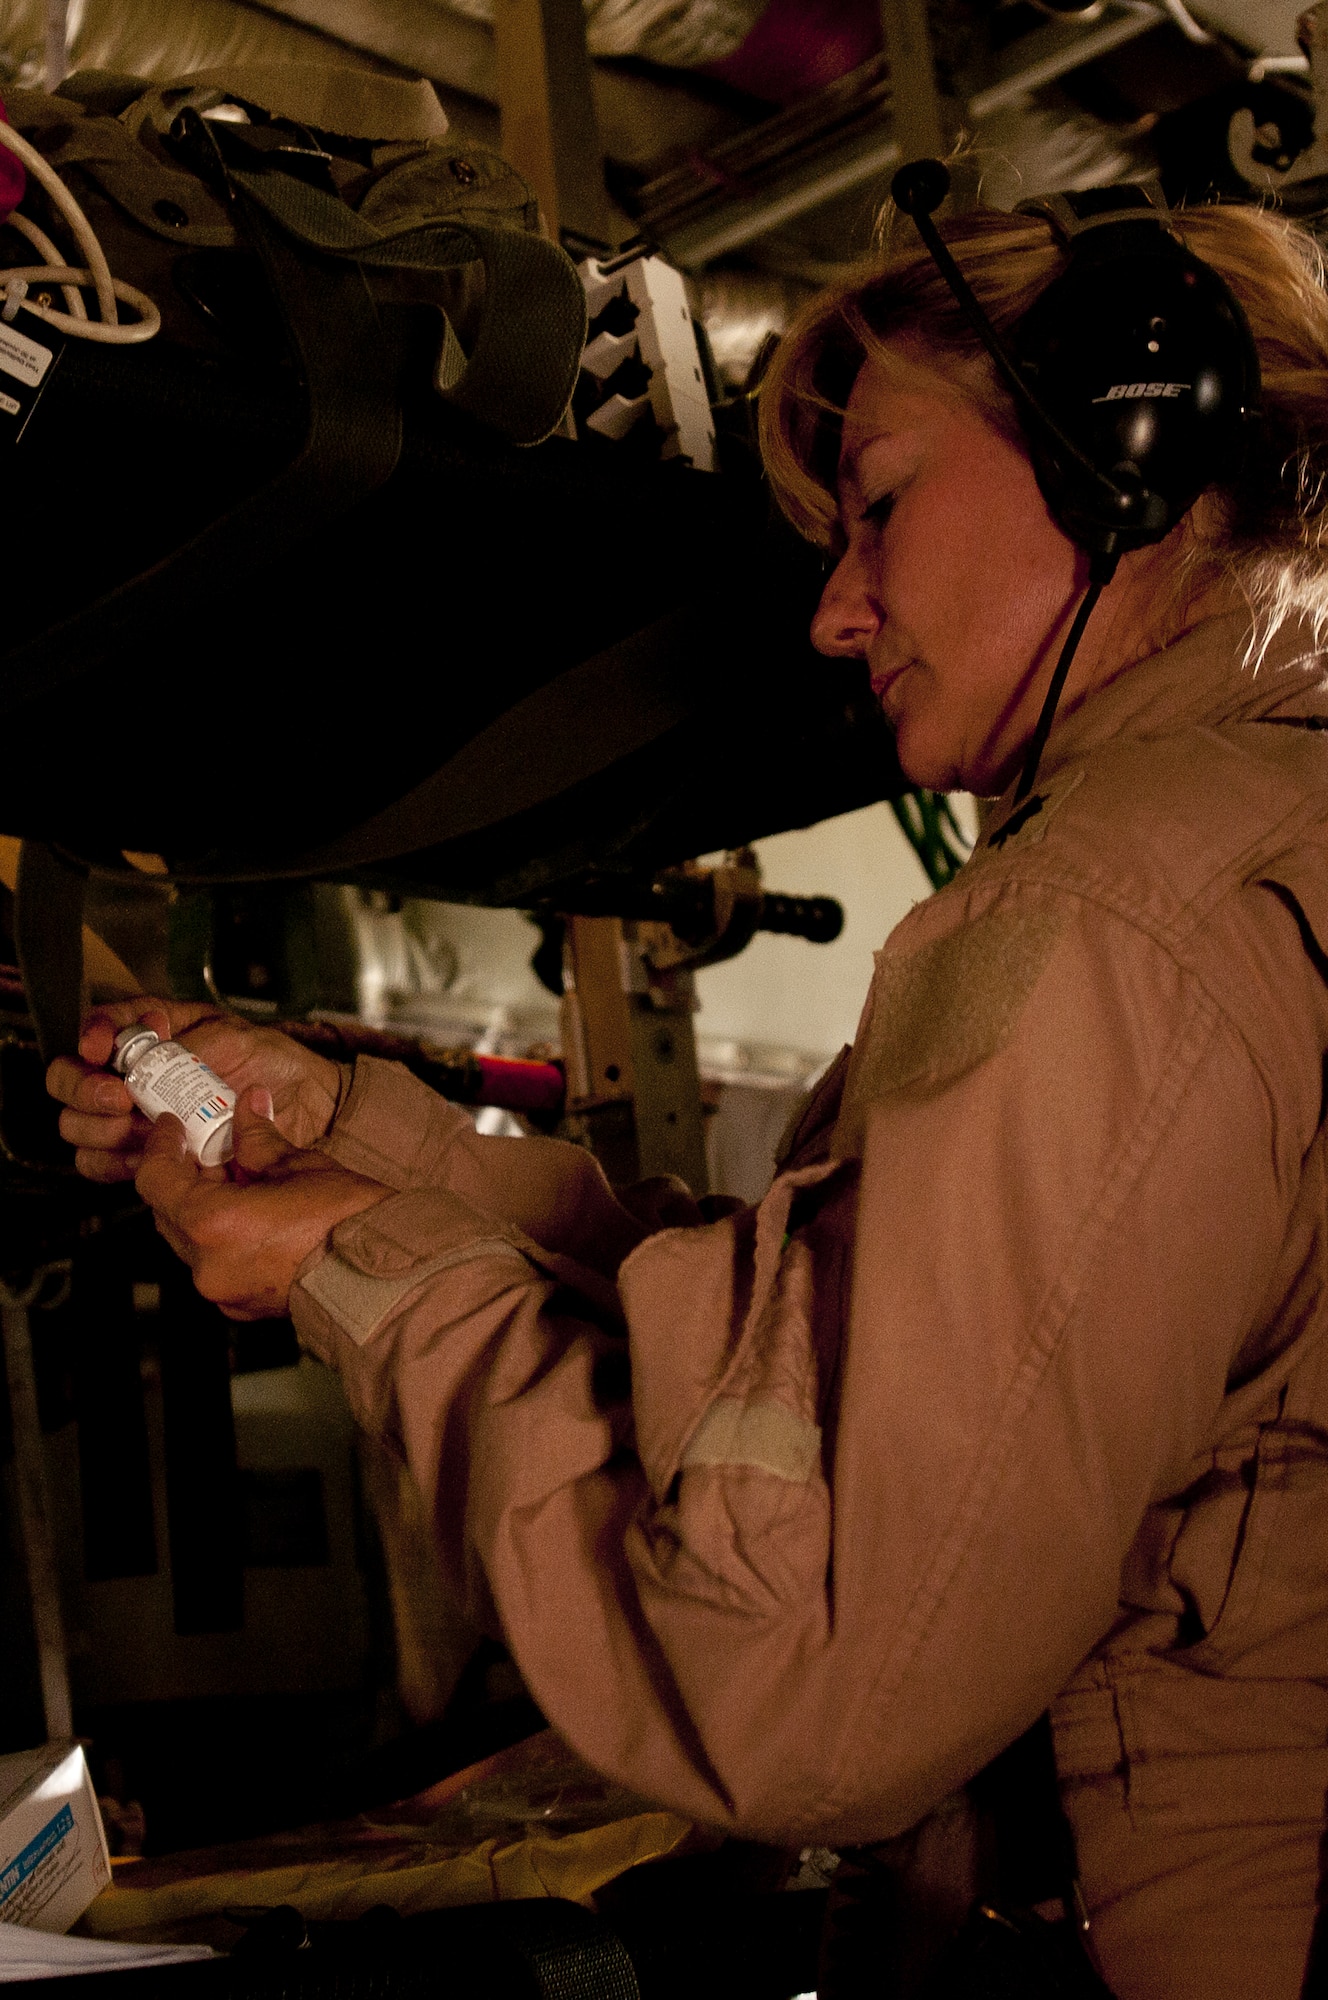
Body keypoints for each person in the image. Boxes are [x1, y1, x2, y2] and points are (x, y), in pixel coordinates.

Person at [47, 191, 1328, 1998]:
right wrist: (366, 1138)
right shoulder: (1259, 844)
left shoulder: (1119, 908)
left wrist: (364, 1276)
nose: (835, 613)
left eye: (877, 503)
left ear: (1128, 438)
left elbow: (813, 1701)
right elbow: (850, 1349)